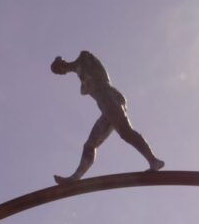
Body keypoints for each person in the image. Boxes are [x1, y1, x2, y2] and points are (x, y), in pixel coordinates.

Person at [50, 51, 164, 183]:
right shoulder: (78, 71)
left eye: (59, 69)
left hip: (109, 99)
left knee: (126, 132)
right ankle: (75, 178)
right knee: (90, 144)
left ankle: (153, 160)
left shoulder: (83, 58)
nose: (62, 72)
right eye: (59, 72)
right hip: (105, 105)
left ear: (62, 62)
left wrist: (85, 75)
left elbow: (99, 75)